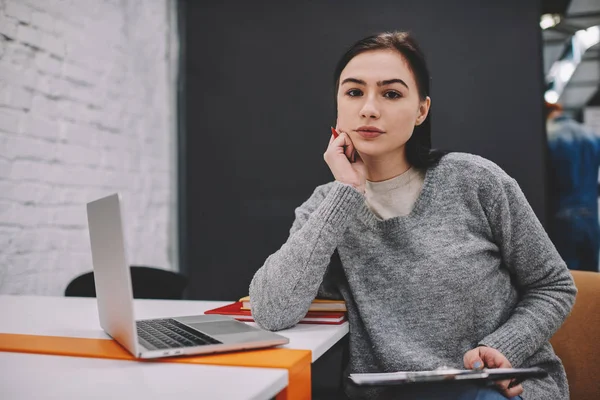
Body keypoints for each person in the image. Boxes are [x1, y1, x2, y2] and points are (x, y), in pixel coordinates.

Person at [249, 31, 577, 400]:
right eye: (354, 92)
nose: (369, 108)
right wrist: (346, 192)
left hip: (496, 389)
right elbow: (272, 310)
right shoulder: (326, 207)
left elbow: (553, 285)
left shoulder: (475, 180)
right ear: (338, 106)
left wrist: (503, 347)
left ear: (421, 110)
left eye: (391, 93)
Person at [546, 101, 600, 272]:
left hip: (561, 219)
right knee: (592, 279)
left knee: (567, 280)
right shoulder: (591, 135)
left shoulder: (548, 136)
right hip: (591, 218)